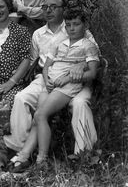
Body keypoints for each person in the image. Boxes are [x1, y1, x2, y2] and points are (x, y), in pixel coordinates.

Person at [4, 0, 99, 172]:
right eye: (45, 6)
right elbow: (37, 61)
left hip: (73, 81)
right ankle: (20, 151)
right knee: (22, 99)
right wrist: (41, 77)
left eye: (53, 6)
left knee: (76, 104)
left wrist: (78, 66)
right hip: (47, 79)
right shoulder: (39, 34)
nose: (48, 10)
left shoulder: (81, 33)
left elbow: (94, 60)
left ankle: (83, 156)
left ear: (63, 9)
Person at [34, 9, 99, 166]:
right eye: (68, 25)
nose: (71, 28)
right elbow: (46, 65)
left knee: (40, 115)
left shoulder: (87, 45)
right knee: (38, 115)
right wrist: (46, 78)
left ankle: (41, 159)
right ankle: (31, 155)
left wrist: (69, 77)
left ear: (86, 25)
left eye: (76, 24)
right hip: (51, 84)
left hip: (67, 86)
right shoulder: (59, 43)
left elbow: (92, 73)